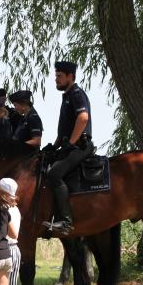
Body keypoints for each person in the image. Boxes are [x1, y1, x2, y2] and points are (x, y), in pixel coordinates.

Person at [42, 61, 94, 234]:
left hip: (80, 147)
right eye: (56, 76)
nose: (56, 79)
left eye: (59, 76)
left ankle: (66, 222)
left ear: (70, 77)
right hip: (69, 145)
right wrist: (55, 146)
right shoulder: (67, 96)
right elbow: (64, 128)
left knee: (54, 174)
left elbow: (83, 118)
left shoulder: (77, 94)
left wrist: (71, 143)